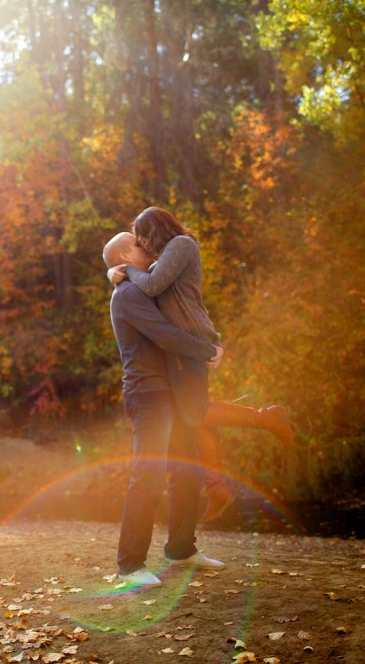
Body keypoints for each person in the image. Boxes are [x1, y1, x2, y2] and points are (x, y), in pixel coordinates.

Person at [109, 206, 294, 521]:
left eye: (143, 237)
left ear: (155, 230)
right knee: (195, 416)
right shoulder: (162, 260)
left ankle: (268, 419)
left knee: (196, 412)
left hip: (191, 343)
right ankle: (216, 486)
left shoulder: (181, 245)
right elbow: (147, 281)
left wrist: (123, 271)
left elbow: (151, 285)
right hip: (186, 346)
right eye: (137, 242)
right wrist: (114, 270)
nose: (142, 244)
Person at [103, 231, 227, 588]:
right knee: (149, 475)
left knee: (186, 472)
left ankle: (181, 549)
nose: (148, 246)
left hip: (171, 393)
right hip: (149, 395)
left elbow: (172, 288)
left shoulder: (140, 286)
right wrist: (208, 351)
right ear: (126, 257)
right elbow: (163, 333)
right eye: (139, 244)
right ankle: (130, 565)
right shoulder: (127, 294)